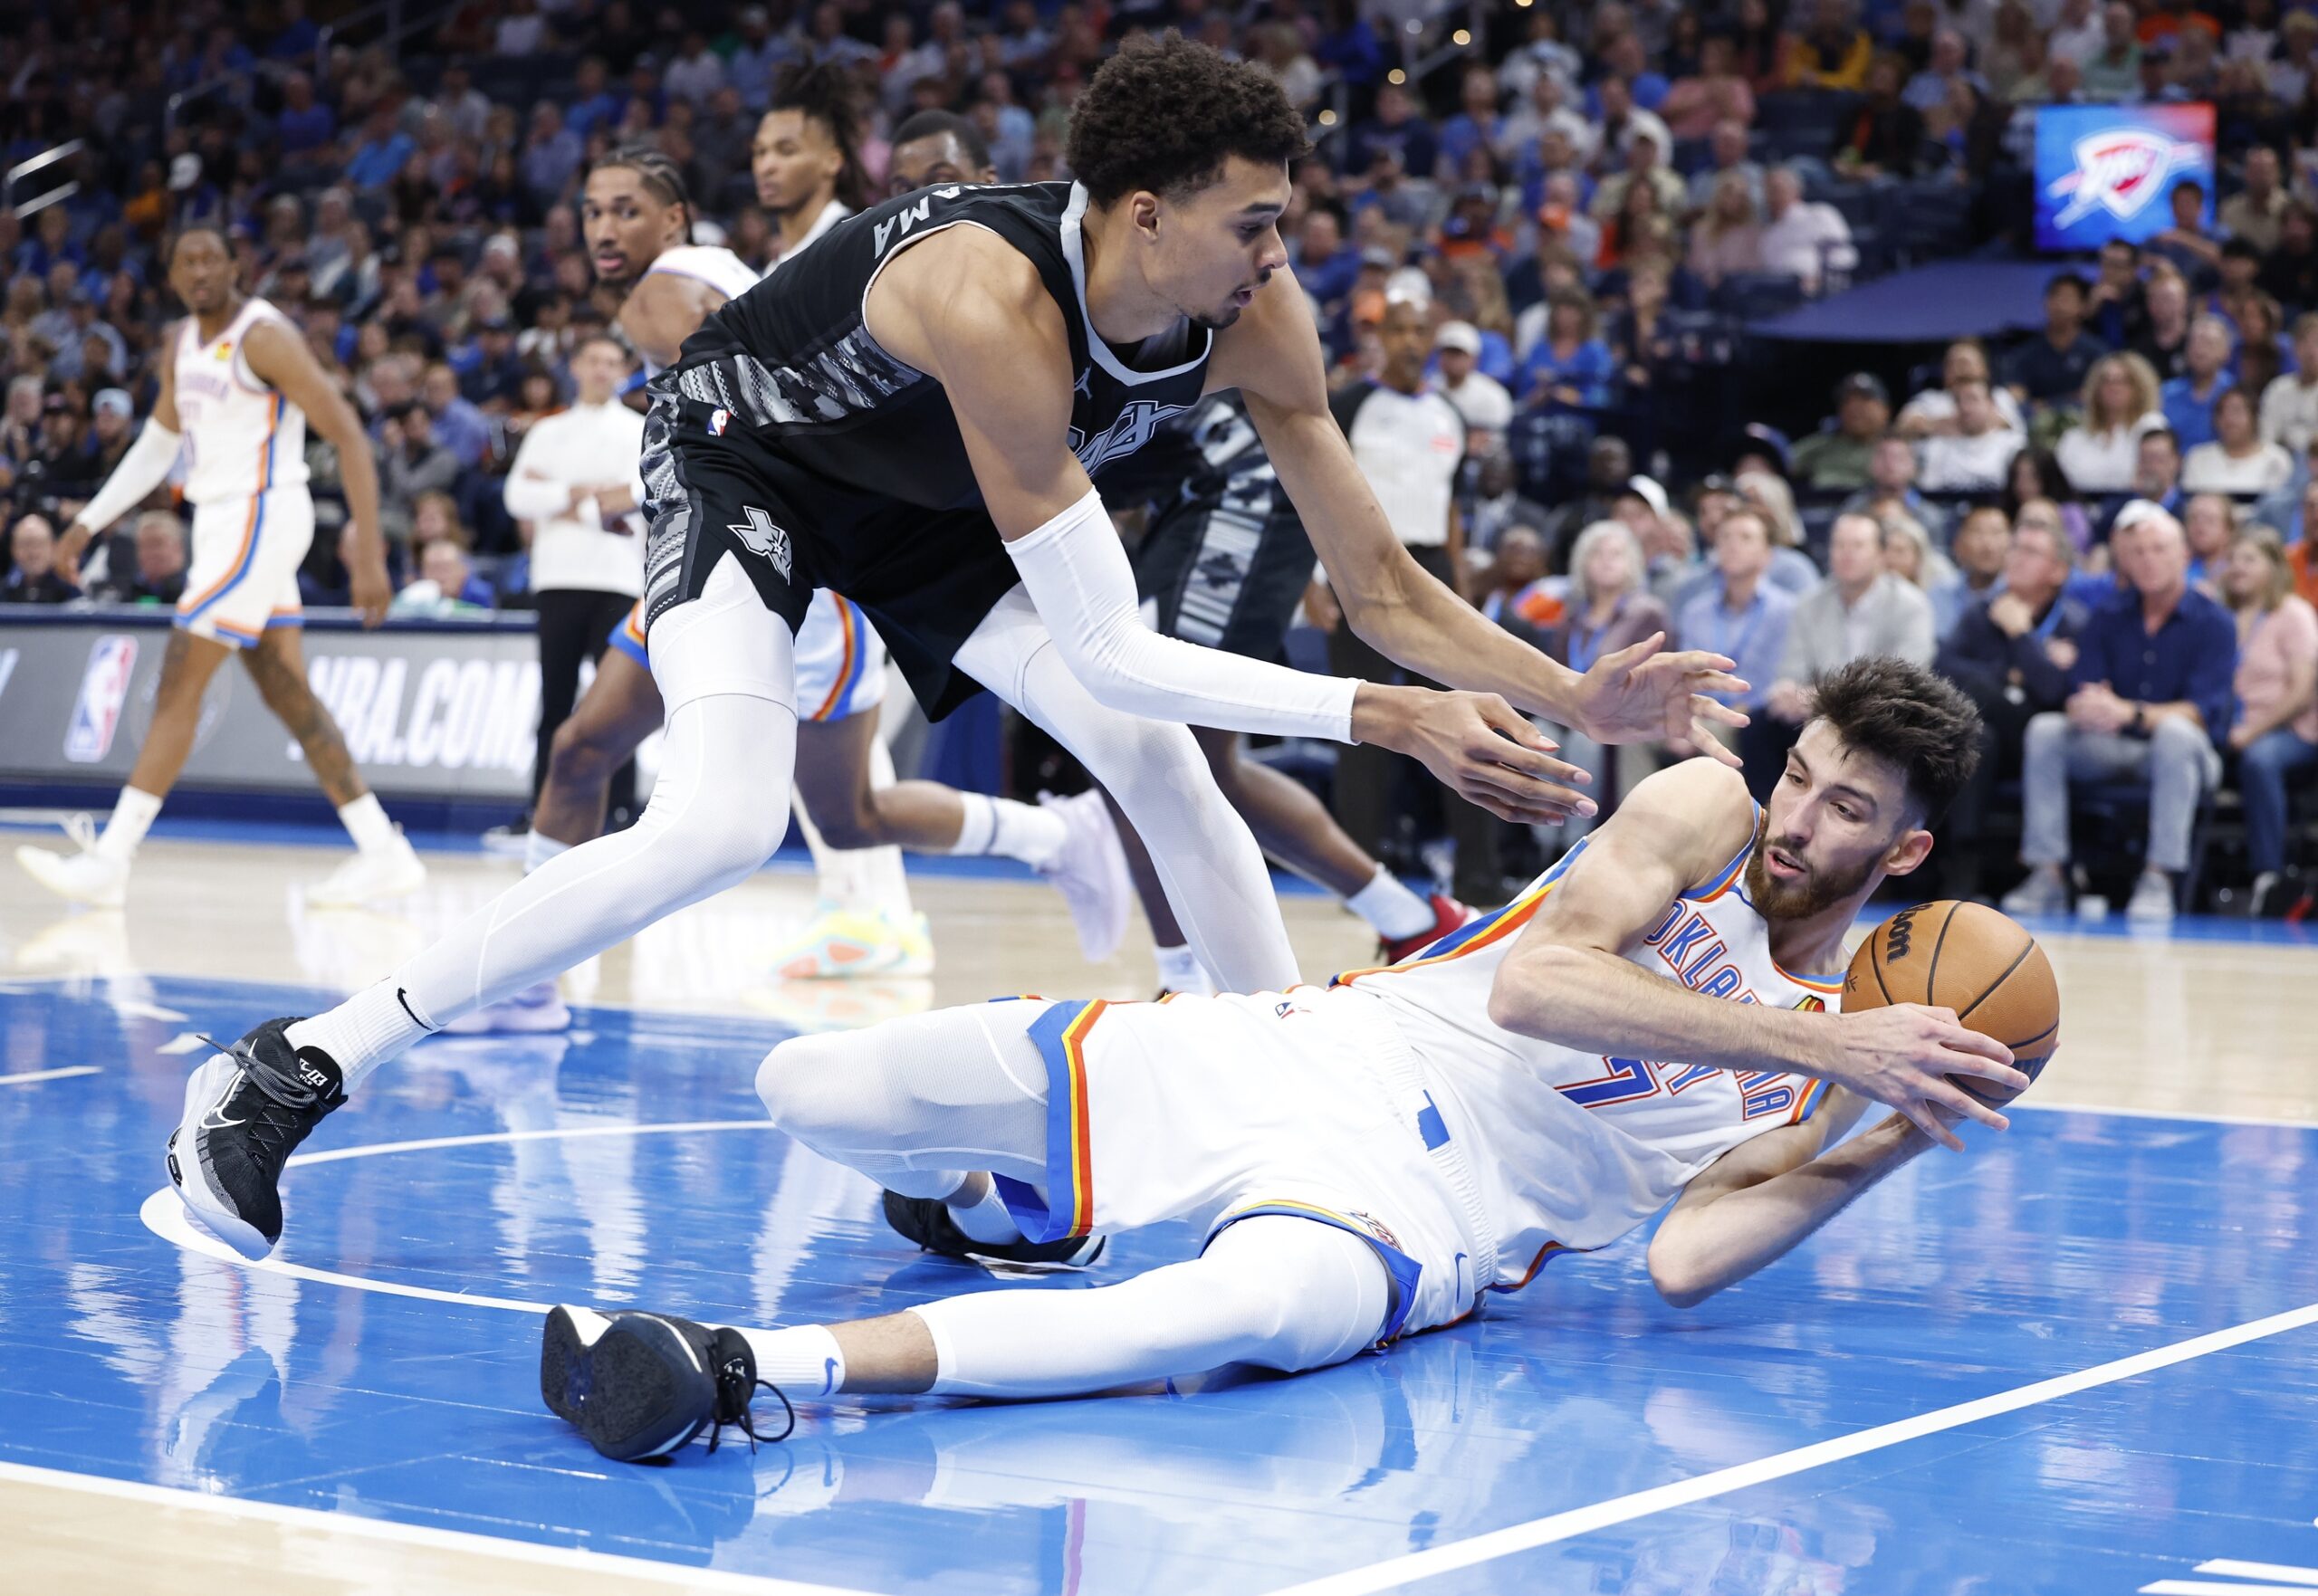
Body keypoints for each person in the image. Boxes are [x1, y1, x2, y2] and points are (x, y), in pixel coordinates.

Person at [173, 35, 1744, 1262]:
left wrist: (1566, 683)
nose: (1281, 254)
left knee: (1156, 763)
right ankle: (293, 1064)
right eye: (1253, 223)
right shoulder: (990, 295)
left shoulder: (1257, 320)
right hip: (748, 461)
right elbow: (1120, 649)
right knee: (723, 816)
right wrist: (1388, 715)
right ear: (1148, 215)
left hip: (921, 507)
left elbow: (1382, 578)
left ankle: (1290, 1108)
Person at [535, 657, 2030, 1461]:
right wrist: (1807, 1037)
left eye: (1847, 812)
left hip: (1430, 1219)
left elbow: (1691, 1256)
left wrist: (1892, 1121)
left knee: (1232, 1313)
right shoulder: (1705, 804)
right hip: (1334, 1046)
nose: (1800, 819)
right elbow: (1546, 985)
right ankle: (1018, 1211)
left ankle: (734, 1371)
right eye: (1804, 777)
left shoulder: (1853, 1049)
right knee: (808, 1085)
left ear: (1901, 847)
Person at [18, 227, 425, 912]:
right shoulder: (180, 341)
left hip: (262, 512)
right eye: (187, 260)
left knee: (180, 676)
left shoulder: (265, 337)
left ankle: (112, 858)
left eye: (213, 258)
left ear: (237, 266)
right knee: (286, 691)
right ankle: (383, 849)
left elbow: (349, 434)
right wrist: (90, 520)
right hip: (222, 523)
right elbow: (157, 444)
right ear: (172, 274)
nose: (201, 269)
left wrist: (372, 556)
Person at [1108, 389, 1471, 995]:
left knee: (1156, 756)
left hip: (1240, 495)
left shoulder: (1005, 367)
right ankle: (1411, 918)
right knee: (1193, 765)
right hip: (1208, 499)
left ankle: (1186, 980)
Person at [1314, 296, 1508, 908]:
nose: (1409, 339)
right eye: (1398, 328)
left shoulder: (1448, 411)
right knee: (1363, 727)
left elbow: (1451, 508)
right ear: (1379, 336)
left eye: (1420, 329)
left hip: (1434, 574)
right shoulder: (1349, 405)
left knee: (1466, 721)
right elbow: (1311, 491)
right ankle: (1358, 878)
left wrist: (1463, 590)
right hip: (1362, 570)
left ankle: (1478, 879)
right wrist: (1312, 580)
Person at [2002, 503, 2235, 922]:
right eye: (2139, 551)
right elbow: (2082, 688)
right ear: (2125, 558)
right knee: (2047, 729)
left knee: (2177, 734)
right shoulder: (2108, 615)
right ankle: (2047, 873)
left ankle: (2158, 877)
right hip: (2111, 745)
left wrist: (2127, 711)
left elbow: (2202, 713)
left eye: (2159, 549)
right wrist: (2085, 705)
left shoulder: (2214, 622)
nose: (2148, 560)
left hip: (2189, 757)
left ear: (2184, 556)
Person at [502, 331, 647, 831]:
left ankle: (622, 809)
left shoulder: (638, 429)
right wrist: (585, 496)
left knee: (619, 700)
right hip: (558, 578)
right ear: (577, 366)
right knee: (555, 699)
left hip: (618, 579)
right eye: (595, 360)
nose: (603, 369)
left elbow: (635, 499)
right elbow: (518, 498)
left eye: (612, 361)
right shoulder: (548, 431)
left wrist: (562, 501)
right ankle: (539, 810)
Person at [1934, 505, 2089, 900]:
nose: (2016, 557)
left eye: (2031, 552)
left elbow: (2056, 694)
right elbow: (1943, 669)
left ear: (2058, 571)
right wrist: (2011, 678)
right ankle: (1963, 865)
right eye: (2015, 548)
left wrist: (2020, 635)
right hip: (1988, 739)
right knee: (1978, 737)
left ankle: (1964, 869)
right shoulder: (1981, 614)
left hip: (2044, 746)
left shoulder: (2074, 621)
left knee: (1983, 723)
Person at [1749, 511, 1937, 791]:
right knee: (1758, 727)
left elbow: (1904, 683)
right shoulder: (1809, 604)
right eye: (1839, 545)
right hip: (1815, 716)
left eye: (1858, 546)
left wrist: (1820, 697)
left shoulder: (1911, 605)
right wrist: (1786, 690)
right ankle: (1768, 822)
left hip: (1883, 718)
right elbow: (1790, 670)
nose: (1846, 554)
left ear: (1881, 555)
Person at [2218, 529, 2318, 912]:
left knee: (2261, 760)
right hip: (2231, 727)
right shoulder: (2222, 615)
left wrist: (2253, 732)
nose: (2238, 568)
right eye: (2234, 560)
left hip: (2289, 730)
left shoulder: (2294, 613)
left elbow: (2302, 690)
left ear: (2275, 567)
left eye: (2249, 560)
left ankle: (2268, 874)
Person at [1676, 507, 1796, 755]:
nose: (1733, 545)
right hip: (1700, 711)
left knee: (1717, 735)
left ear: (1767, 555)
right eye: (1726, 537)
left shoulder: (1788, 609)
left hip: (1755, 717)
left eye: (1745, 538)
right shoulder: (1695, 611)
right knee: (1638, 737)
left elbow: (1781, 675)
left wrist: (1733, 712)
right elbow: (1685, 673)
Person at [2055, 351, 2166, 494]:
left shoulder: (2150, 426)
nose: (2113, 387)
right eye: (2106, 381)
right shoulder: (2074, 437)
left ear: (2140, 388)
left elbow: (2152, 480)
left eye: (2123, 381)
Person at [2002, 272, 2112, 406]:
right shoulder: (2026, 353)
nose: (2059, 305)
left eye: (2067, 298)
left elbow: (2096, 395)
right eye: (2054, 296)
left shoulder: (2097, 352)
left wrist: (2044, 404)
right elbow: (2016, 395)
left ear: (2083, 306)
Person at [1917, 378, 2025, 493]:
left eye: (1973, 399)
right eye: (1959, 401)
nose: (1965, 408)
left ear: (1991, 404)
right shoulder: (1937, 447)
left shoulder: (2013, 445)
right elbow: (1929, 493)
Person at [1788, 373, 1890, 492]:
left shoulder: (1897, 448)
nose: (1854, 407)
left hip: (1873, 507)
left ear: (1885, 410)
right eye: (1847, 401)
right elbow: (1780, 462)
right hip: (1822, 505)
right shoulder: (1822, 445)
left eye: (1865, 399)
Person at [2182, 386, 2294, 493]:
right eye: (2222, 412)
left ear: (2254, 417)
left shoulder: (2277, 459)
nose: (2229, 420)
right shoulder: (2197, 458)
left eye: (2237, 411)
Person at [2158, 313, 2237, 450]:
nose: (2199, 349)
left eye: (2209, 343)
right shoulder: (2166, 393)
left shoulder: (2236, 394)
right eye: (2194, 342)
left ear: (2226, 352)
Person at [1935, 505, 2014, 637]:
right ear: (1958, 544)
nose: (1988, 544)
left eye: (1996, 533)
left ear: (2012, 542)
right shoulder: (1940, 593)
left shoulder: (2021, 594)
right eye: (1978, 533)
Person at [2256, 311, 2318, 454]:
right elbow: (2266, 438)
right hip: (2281, 462)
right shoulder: (2277, 388)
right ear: (2295, 348)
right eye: (2304, 342)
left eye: (2316, 343)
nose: (2311, 351)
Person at [2, 511, 78, 603]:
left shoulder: (70, 592)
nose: (33, 553)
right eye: (26, 544)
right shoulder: (4, 591)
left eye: (39, 544)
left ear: (52, 547)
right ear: (13, 549)